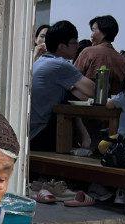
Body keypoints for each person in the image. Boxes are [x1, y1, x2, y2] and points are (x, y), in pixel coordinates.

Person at [29, 20, 95, 151]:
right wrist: (73, 87)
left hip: (29, 131)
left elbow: (81, 93)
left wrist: (72, 87)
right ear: (61, 46)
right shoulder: (60, 64)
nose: (77, 45)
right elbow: (91, 90)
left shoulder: (42, 60)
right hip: (40, 133)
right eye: (73, 42)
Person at [75, 15, 125, 94]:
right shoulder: (123, 60)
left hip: (83, 103)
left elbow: (73, 77)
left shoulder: (88, 52)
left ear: (104, 33)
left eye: (93, 30)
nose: (91, 35)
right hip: (112, 104)